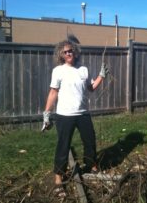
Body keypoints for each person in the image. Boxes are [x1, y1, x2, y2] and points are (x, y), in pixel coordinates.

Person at [42, 39, 108, 189]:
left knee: (90, 140)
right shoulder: (58, 71)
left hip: (83, 113)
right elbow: (53, 92)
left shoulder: (83, 70)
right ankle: (59, 176)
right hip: (64, 115)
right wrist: (47, 113)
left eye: (70, 50)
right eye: (65, 52)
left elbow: (90, 88)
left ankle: (92, 166)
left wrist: (101, 76)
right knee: (63, 145)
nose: (68, 53)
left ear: (75, 52)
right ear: (61, 54)